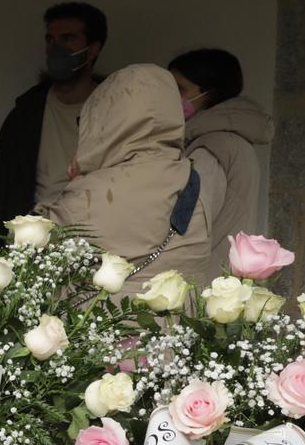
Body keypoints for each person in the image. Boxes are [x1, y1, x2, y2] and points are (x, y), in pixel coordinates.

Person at [36, 63, 218, 289]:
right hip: (175, 321)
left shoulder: (93, 194)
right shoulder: (193, 180)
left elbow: (35, 250)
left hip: (106, 320)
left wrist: (75, 185)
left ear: (105, 118)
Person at [0, 2, 108, 249]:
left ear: (93, 50)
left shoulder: (115, 109)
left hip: (93, 242)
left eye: (68, 39)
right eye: (50, 40)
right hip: (31, 244)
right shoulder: (27, 112)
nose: (56, 48)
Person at [171, 48, 273, 282]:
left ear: (211, 93)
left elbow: (186, 225)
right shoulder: (229, 140)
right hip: (220, 282)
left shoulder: (212, 146)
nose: (169, 97)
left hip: (200, 285)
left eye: (180, 89)